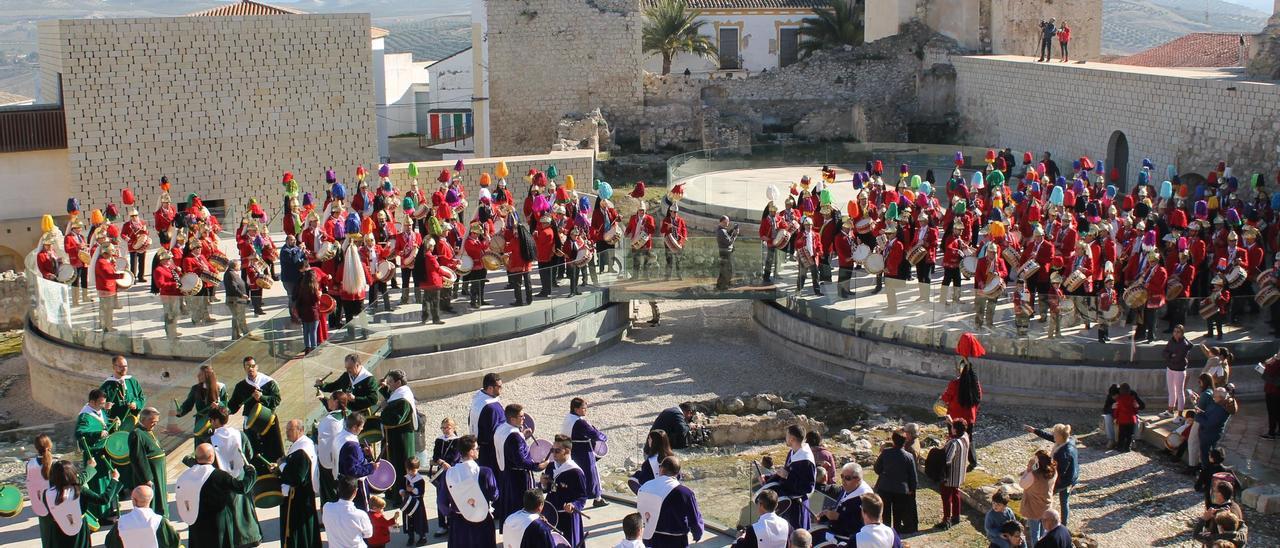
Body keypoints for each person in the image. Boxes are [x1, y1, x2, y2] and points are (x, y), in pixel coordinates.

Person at [174, 443, 254, 548]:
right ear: (212, 457)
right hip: (217, 523)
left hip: (196, 522)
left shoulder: (185, 476)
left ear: (196, 457)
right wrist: (251, 473)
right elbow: (242, 487)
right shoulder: (219, 475)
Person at [206, 406, 263, 548]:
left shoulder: (210, 441)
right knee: (245, 509)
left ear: (214, 421)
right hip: (241, 476)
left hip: (223, 482)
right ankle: (252, 537)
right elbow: (249, 454)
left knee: (230, 513)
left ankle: (235, 541)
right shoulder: (239, 434)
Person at [40, 460, 119, 548]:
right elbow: (104, 499)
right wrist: (114, 480)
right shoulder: (79, 490)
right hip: (80, 531)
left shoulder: (46, 494)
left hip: (57, 531)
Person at [495, 404, 549, 525]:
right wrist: (539, 466)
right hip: (518, 478)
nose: (524, 418)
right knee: (522, 507)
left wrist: (523, 436)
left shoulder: (500, 429)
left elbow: (508, 448)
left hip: (505, 473)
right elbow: (521, 461)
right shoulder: (514, 436)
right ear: (512, 419)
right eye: (521, 416)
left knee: (509, 505)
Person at [226, 356, 285, 464]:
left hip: (268, 422)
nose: (250, 368)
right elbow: (233, 405)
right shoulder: (240, 386)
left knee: (273, 451)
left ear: (257, 367)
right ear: (244, 368)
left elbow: (276, 400)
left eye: (253, 366)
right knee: (254, 454)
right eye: (247, 366)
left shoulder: (269, 382)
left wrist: (262, 397)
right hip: (251, 425)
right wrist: (225, 410)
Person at [443, 435, 499, 547]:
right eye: (477, 448)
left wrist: (453, 512)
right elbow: (494, 495)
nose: (478, 450)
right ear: (471, 452)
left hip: (458, 520)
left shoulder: (449, 473)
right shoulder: (485, 472)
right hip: (481, 518)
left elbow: (442, 502)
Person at [74, 389, 119, 525]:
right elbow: (79, 433)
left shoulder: (98, 410)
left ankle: (109, 509)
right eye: (101, 403)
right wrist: (97, 433)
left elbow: (104, 423)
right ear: (92, 402)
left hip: (104, 451)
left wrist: (113, 421)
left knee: (107, 480)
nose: (103, 405)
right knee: (98, 484)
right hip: (94, 454)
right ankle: (100, 515)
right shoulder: (85, 416)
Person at [637, 456, 704, 547]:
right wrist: (697, 534)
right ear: (678, 473)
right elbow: (694, 519)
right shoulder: (685, 493)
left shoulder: (645, 487)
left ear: (661, 469)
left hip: (650, 539)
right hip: (676, 541)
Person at [760, 425, 817, 530]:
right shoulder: (793, 452)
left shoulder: (806, 459)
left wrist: (788, 476)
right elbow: (785, 473)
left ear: (792, 439)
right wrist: (767, 478)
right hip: (787, 502)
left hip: (798, 505)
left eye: (787, 435)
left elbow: (808, 487)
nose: (785, 438)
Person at [278, 418, 321, 548]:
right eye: (286, 430)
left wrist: (282, 466)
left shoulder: (302, 451)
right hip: (302, 497)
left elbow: (297, 478)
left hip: (298, 500)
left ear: (301, 430)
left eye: (291, 430)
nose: (288, 433)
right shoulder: (303, 444)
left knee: (298, 533)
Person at [379, 369, 419, 507]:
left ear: (398, 382)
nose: (388, 385)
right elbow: (391, 398)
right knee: (393, 465)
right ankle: (392, 493)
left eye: (390, 382)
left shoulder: (404, 399)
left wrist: (383, 411)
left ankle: (400, 496)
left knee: (400, 467)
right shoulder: (398, 394)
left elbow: (396, 418)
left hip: (401, 440)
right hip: (394, 438)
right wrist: (384, 389)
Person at [1025, 423, 1078, 526]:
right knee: (1064, 502)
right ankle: (1063, 524)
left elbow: (1059, 472)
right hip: (1072, 477)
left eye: (1055, 434)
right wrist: (1035, 430)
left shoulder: (1063, 453)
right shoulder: (1068, 440)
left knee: (1045, 498)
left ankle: (1041, 520)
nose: (1053, 435)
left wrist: (1043, 476)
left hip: (1064, 481)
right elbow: (1050, 437)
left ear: (1059, 436)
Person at [542, 435, 588, 547]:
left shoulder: (576, 472)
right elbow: (549, 489)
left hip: (567, 517)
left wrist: (574, 505)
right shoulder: (551, 466)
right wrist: (543, 484)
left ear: (567, 451)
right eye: (553, 450)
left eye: (557, 451)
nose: (554, 453)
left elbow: (582, 497)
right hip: (550, 514)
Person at [562, 397, 609, 508]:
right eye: (584, 408)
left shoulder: (568, 418)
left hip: (571, 450)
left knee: (573, 474)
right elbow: (595, 435)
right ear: (576, 409)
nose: (585, 410)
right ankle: (596, 498)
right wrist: (604, 437)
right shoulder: (579, 422)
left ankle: (574, 497)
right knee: (591, 474)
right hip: (583, 451)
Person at [812, 462, 871, 544]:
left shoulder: (865, 498)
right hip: (834, 532)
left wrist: (838, 517)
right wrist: (824, 515)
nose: (843, 481)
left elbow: (861, 526)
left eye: (847, 478)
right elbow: (838, 508)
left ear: (858, 479)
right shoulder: (847, 489)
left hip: (848, 540)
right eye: (842, 476)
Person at [105, 485, 181, 548]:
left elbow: (109, 543)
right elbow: (174, 541)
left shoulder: (122, 522)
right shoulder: (159, 521)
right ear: (151, 499)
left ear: (133, 501)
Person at [873, 429, 918, 534]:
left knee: (885, 514)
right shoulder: (909, 456)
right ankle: (896, 534)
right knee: (898, 514)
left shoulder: (886, 452)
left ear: (893, 440)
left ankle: (886, 533)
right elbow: (913, 475)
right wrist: (912, 489)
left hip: (885, 488)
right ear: (905, 441)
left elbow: (877, 469)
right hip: (901, 490)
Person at [126, 407, 168, 517]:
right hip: (151, 475)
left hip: (157, 473)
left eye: (156, 422)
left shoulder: (147, 431)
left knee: (160, 497)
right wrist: (147, 478)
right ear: (143, 419)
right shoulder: (137, 434)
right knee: (153, 501)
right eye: (153, 421)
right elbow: (138, 458)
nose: (155, 424)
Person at [941, 358, 982, 469]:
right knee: (969, 439)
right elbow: (979, 398)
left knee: (953, 438)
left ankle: (953, 460)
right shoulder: (976, 384)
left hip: (954, 418)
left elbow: (946, 397)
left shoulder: (954, 383)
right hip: (969, 418)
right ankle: (973, 461)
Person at [175, 364, 228, 445]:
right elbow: (188, 404)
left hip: (215, 422)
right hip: (200, 423)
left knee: (215, 447)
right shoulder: (195, 389)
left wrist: (219, 405)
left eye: (201, 374)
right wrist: (181, 411)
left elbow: (226, 404)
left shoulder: (220, 387)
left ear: (208, 375)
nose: (198, 376)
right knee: (200, 447)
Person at [317, 391, 354, 503]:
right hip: (343, 459)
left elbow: (321, 437)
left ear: (336, 401)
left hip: (329, 461)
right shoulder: (347, 415)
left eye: (330, 399)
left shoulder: (329, 420)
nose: (328, 401)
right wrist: (323, 398)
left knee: (330, 492)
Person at [334, 413, 376, 510]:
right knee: (362, 510)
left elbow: (348, 457)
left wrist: (363, 452)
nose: (362, 429)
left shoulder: (340, 436)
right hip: (355, 485)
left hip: (341, 480)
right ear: (354, 427)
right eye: (361, 427)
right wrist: (371, 467)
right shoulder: (352, 445)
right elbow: (353, 471)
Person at [322, 476, 374, 548]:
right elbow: (368, 534)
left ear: (338, 489)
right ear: (355, 492)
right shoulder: (361, 515)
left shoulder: (326, 507)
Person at [431, 418, 462, 535]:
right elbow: (435, 455)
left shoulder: (458, 441)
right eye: (443, 427)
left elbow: (455, 457)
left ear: (453, 428)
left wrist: (444, 462)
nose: (445, 430)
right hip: (441, 473)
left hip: (453, 472)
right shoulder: (439, 440)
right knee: (440, 499)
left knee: (453, 499)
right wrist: (441, 462)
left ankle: (453, 523)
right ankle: (442, 524)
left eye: (447, 427)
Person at [938, 418, 969, 530]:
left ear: (955, 429)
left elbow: (947, 459)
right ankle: (956, 516)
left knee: (946, 497)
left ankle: (946, 520)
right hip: (959, 474)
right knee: (956, 494)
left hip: (950, 475)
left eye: (952, 427)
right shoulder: (965, 437)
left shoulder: (954, 443)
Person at [470, 373, 506, 472]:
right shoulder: (491, 407)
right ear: (490, 388)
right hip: (490, 452)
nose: (501, 389)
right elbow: (495, 432)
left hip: (479, 445)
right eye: (499, 386)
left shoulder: (478, 397)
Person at [1020, 449, 1056, 543]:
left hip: (1034, 508)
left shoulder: (1033, 475)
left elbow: (1022, 484)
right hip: (1046, 506)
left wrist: (1028, 470)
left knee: (1034, 535)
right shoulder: (1054, 473)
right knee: (1044, 533)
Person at [101, 355, 144, 433]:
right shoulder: (106, 386)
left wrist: (136, 404)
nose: (124, 368)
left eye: (125, 366)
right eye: (121, 366)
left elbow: (141, 399)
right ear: (114, 367)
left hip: (132, 424)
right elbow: (96, 406)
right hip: (114, 427)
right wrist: (104, 406)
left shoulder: (133, 382)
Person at [1196, 388, 1238, 468]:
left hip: (1209, 433)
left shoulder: (1221, 409)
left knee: (1206, 454)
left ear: (1220, 397)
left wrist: (1198, 415)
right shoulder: (1222, 403)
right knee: (1209, 453)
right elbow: (1210, 414)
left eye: (1214, 396)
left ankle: (1206, 472)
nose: (1213, 397)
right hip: (1212, 432)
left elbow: (1209, 423)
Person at [27, 434, 55, 543]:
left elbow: (30, 483)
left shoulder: (30, 464)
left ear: (36, 448)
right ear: (50, 446)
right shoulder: (56, 463)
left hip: (39, 503)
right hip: (55, 503)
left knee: (46, 535)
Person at [629, 429, 676, 494]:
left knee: (632, 480)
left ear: (654, 442)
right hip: (672, 491)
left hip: (656, 494)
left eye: (650, 439)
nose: (648, 441)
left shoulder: (650, 462)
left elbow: (643, 480)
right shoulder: (673, 458)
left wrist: (638, 473)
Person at [1163, 325, 1193, 416]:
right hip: (1170, 368)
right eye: (1174, 331)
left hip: (1179, 370)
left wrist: (1169, 356)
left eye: (1178, 332)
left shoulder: (1183, 344)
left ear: (1182, 333)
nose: (1175, 333)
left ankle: (1180, 414)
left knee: (1180, 392)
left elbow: (1179, 358)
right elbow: (1164, 352)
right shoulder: (1171, 340)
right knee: (1171, 390)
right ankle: (1170, 410)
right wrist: (1170, 355)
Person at [94, 244, 124, 332]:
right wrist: (121, 276)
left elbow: (110, 269)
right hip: (105, 288)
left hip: (108, 287)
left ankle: (105, 325)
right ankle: (107, 327)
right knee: (108, 309)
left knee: (106, 309)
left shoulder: (104, 260)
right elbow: (107, 275)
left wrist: (113, 263)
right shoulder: (101, 262)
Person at [401, 457, 430, 545]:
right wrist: (402, 491)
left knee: (419, 520)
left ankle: (422, 537)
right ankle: (411, 537)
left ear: (417, 469)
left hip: (417, 504)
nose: (411, 473)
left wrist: (412, 489)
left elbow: (421, 492)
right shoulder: (405, 478)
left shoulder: (420, 480)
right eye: (409, 470)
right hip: (408, 503)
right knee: (409, 520)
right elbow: (401, 486)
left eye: (413, 471)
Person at [223, 259, 250, 339]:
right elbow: (233, 287)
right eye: (239, 265)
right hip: (234, 299)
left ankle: (235, 335)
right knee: (240, 317)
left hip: (237, 299)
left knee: (236, 318)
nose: (240, 266)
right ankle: (246, 333)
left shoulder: (232, 273)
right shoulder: (230, 274)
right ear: (234, 266)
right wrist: (241, 295)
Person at [1112, 383, 1144, 452]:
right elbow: (1135, 410)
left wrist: (1115, 417)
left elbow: (1116, 411)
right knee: (1130, 435)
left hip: (1122, 420)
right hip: (1131, 420)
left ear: (1120, 391)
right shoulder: (1132, 399)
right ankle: (1127, 447)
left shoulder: (1119, 400)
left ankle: (1120, 447)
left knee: (1121, 434)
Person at [717, 215, 740, 290]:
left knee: (724, 270)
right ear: (722, 222)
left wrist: (733, 230)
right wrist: (735, 235)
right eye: (726, 222)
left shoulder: (722, 230)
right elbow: (729, 242)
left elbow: (727, 236)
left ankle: (720, 285)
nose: (727, 224)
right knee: (728, 270)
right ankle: (724, 286)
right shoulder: (721, 231)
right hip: (725, 253)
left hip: (724, 252)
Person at [1263, 348, 1280, 440]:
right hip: (1275, 389)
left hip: (1273, 390)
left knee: (1272, 412)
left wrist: (1270, 362)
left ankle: (1271, 432)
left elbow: (1270, 372)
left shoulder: (1277, 362)